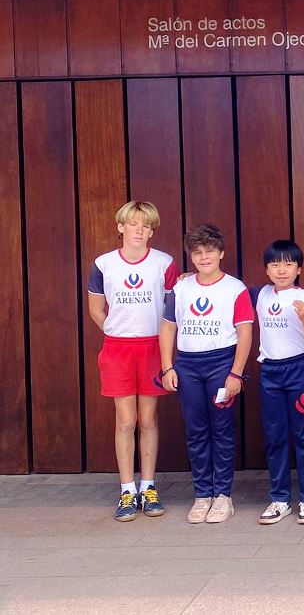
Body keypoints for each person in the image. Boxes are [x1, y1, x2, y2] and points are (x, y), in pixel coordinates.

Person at [86, 201, 179, 521]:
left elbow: (171, 309)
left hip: (153, 348)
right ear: (120, 226)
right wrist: (116, 331)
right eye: (134, 224)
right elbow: (96, 310)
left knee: (149, 419)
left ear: (152, 230)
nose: (140, 230)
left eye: (147, 226)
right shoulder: (103, 264)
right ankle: (127, 490)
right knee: (125, 421)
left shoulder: (164, 262)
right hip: (118, 349)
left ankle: (148, 487)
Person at [159, 223, 253, 524]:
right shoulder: (181, 287)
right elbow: (168, 326)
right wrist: (167, 366)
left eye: (209, 251)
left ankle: (223, 496)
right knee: (196, 431)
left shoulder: (234, 288)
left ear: (221, 253)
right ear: (191, 256)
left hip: (221, 363)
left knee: (222, 430)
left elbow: (245, 333)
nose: (204, 257)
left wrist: (236, 374)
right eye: (197, 253)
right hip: (187, 364)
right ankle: (202, 494)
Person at [253, 240, 304, 525]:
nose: (281, 270)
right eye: (275, 264)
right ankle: (279, 498)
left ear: (299, 268)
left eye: (288, 264)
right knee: (275, 437)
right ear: (267, 269)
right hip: (270, 371)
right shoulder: (258, 294)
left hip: (299, 370)